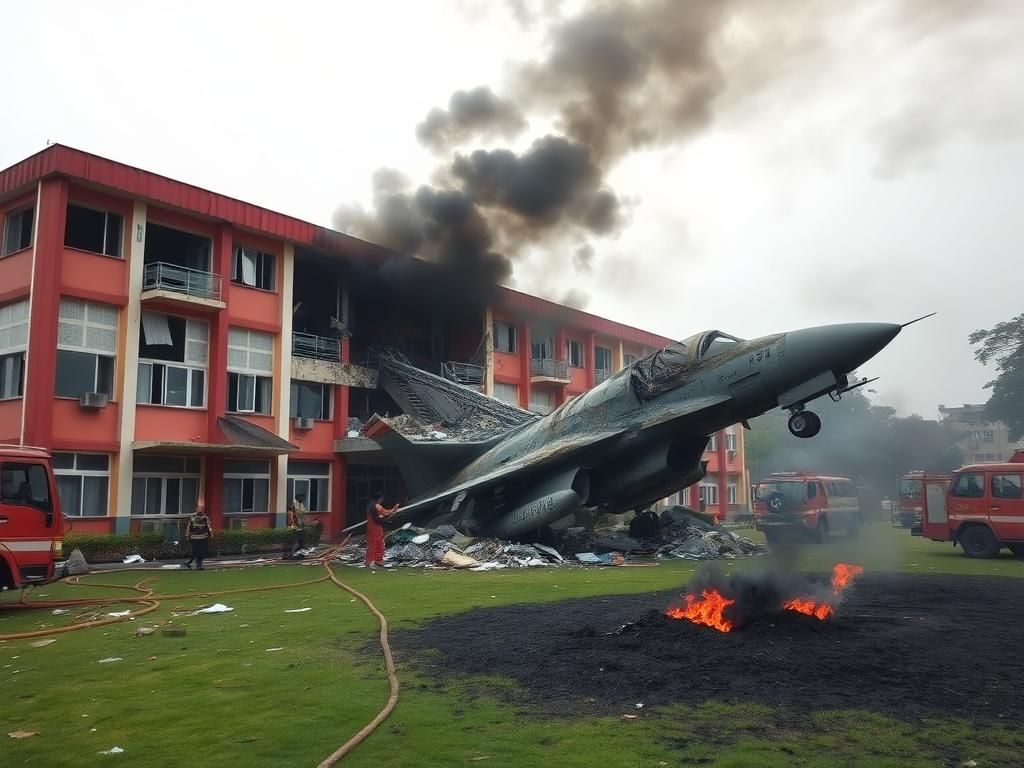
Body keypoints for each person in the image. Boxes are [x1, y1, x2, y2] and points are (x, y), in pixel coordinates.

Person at [365, 492, 399, 569]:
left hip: (374, 526)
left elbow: (384, 513)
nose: (382, 500)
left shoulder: (370, 505)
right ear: (379, 498)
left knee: (379, 543)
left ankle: (378, 560)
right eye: (382, 499)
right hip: (375, 527)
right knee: (374, 544)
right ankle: (370, 562)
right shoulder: (376, 506)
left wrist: (391, 511)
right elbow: (386, 512)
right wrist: (394, 510)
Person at [184, 501, 212, 570]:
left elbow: (208, 526)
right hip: (195, 537)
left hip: (203, 537)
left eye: (201, 508)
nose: (199, 510)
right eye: (198, 508)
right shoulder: (196, 517)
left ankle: (195, 562)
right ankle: (195, 562)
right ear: (196, 509)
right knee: (196, 550)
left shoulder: (204, 517)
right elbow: (189, 526)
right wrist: (187, 535)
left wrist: (210, 533)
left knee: (201, 550)